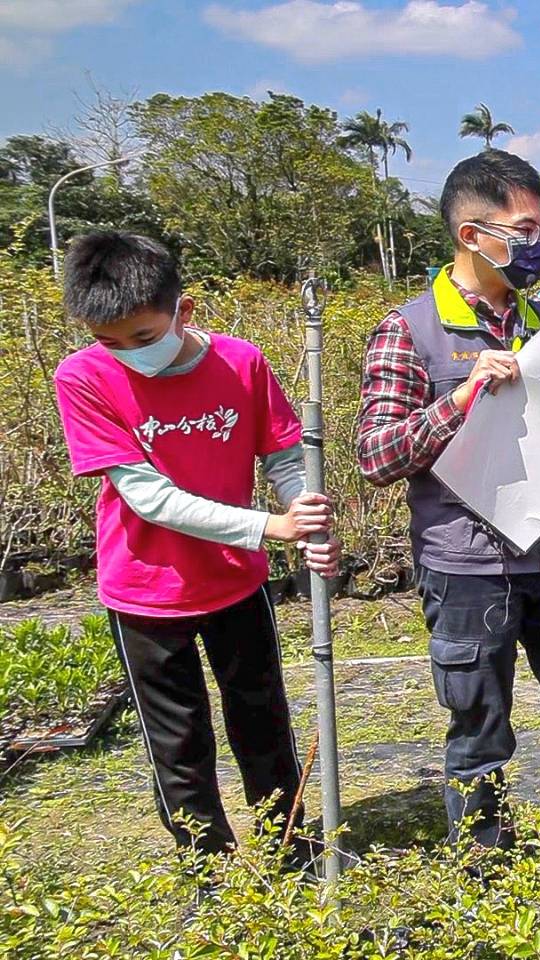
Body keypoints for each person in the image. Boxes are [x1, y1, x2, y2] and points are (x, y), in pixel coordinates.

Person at [355, 150, 540, 853]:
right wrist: (464, 398)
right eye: (524, 230)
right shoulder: (409, 329)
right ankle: (488, 877)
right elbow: (378, 456)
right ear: (472, 235)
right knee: (480, 730)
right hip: (467, 565)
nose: (538, 244)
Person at [53, 231, 341, 858]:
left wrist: (307, 512)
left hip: (236, 581)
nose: (129, 354)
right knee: (177, 740)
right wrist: (270, 528)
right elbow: (147, 497)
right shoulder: (82, 377)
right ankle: (209, 867)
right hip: (145, 592)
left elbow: (286, 458)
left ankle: (288, 844)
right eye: (110, 341)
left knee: (261, 719)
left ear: (184, 311)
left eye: (144, 337)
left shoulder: (241, 362)